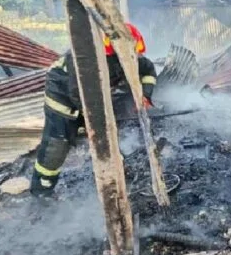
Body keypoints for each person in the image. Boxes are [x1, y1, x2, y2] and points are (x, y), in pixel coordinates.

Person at [31, 23, 157, 197]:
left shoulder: (129, 55)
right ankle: (41, 191)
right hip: (63, 96)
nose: (132, 56)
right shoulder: (84, 58)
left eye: (132, 51)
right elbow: (78, 93)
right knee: (57, 145)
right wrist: (93, 123)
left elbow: (148, 70)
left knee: (107, 137)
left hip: (93, 96)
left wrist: (145, 95)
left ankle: (117, 176)